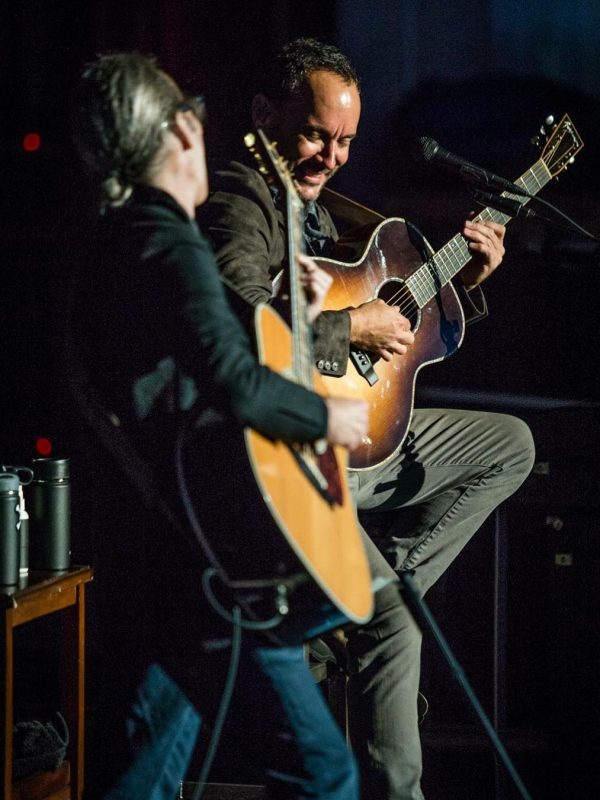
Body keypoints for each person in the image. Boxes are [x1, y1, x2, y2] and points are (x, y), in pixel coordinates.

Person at [197, 37, 536, 800]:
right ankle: (372, 615)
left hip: (360, 435)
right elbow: (238, 327)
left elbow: (394, 319)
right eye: (317, 135)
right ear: (264, 114)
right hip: (298, 458)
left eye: (346, 141)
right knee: (396, 625)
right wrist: (352, 329)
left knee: (509, 445)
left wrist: (464, 284)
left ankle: (373, 594)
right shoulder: (241, 200)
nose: (333, 158)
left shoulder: (324, 210)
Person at [67, 51, 370, 800]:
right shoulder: (170, 241)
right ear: (178, 132)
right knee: (325, 771)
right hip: (208, 563)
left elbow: (192, 372)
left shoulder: (117, 239)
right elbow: (234, 381)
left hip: (157, 555)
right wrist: (328, 415)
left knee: (143, 776)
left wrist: (298, 320)